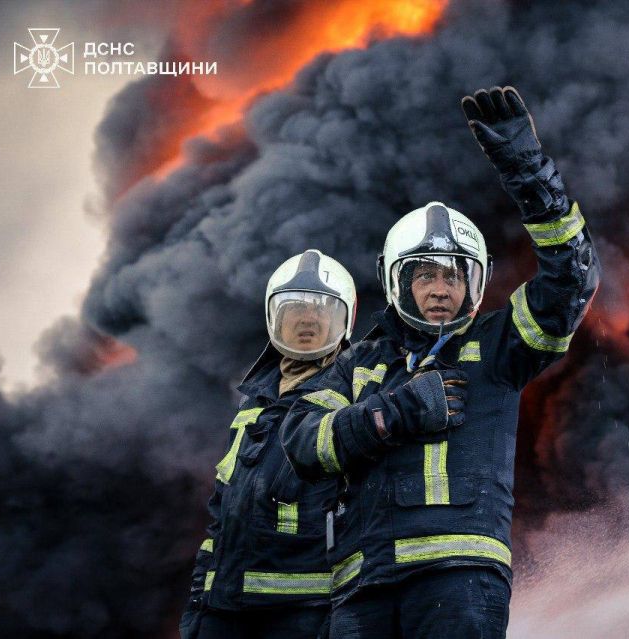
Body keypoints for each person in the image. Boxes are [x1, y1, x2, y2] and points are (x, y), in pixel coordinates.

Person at [280, 86, 600, 638]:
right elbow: (302, 443)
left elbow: (572, 280)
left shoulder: (499, 346)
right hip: (364, 584)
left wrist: (528, 169)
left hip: (462, 575)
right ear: (397, 281)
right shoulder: (359, 365)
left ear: (473, 282)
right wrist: (391, 412)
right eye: (425, 274)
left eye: (453, 275)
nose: (439, 289)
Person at [180, 250, 357, 639]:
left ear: (344, 322)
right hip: (223, 610)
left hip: (301, 612)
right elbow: (221, 513)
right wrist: (200, 600)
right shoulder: (252, 405)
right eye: (294, 307)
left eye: (322, 309)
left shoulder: (354, 397)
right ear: (274, 317)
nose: (308, 319)